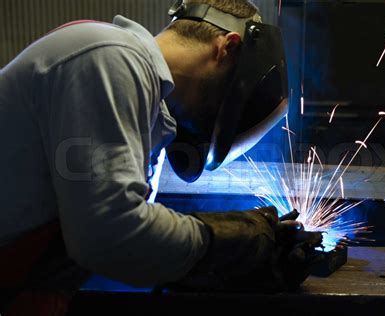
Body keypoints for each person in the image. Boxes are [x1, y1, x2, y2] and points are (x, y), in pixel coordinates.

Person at [0, 0, 323, 314]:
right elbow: (111, 235)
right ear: (227, 48)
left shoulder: (149, 112)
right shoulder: (109, 56)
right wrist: (228, 242)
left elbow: (122, 247)